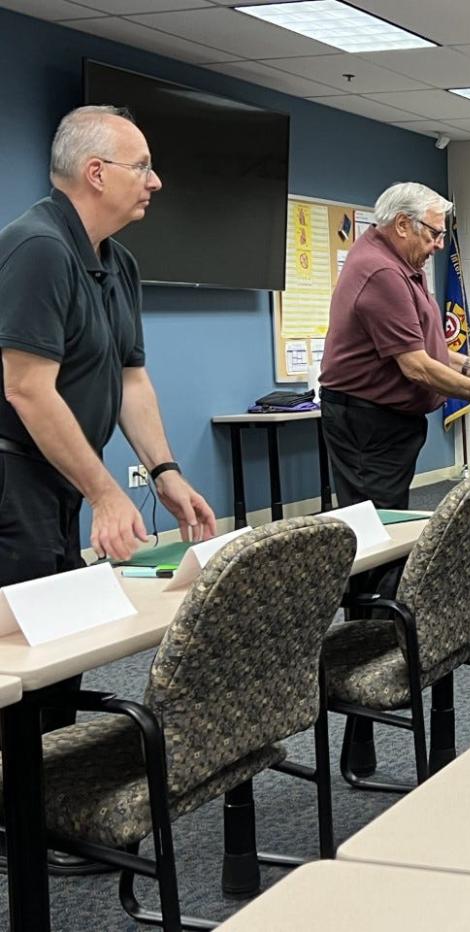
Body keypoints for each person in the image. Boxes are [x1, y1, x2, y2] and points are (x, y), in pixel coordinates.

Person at [0, 105, 216, 731]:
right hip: (15, 488)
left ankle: (49, 806)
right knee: (21, 666)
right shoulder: (37, 248)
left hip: (59, 484)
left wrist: (166, 472)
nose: (155, 181)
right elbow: (28, 390)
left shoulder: (117, 262)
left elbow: (130, 379)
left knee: (63, 657)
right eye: (142, 166)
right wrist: (105, 492)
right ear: (96, 172)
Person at [318, 182, 470, 513]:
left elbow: (417, 344)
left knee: (390, 515)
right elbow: (416, 365)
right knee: (379, 522)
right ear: (401, 224)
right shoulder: (382, 270)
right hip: (368, 422)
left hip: (383, 419)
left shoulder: (399, 261)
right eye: (434, 233)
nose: (439, 244)